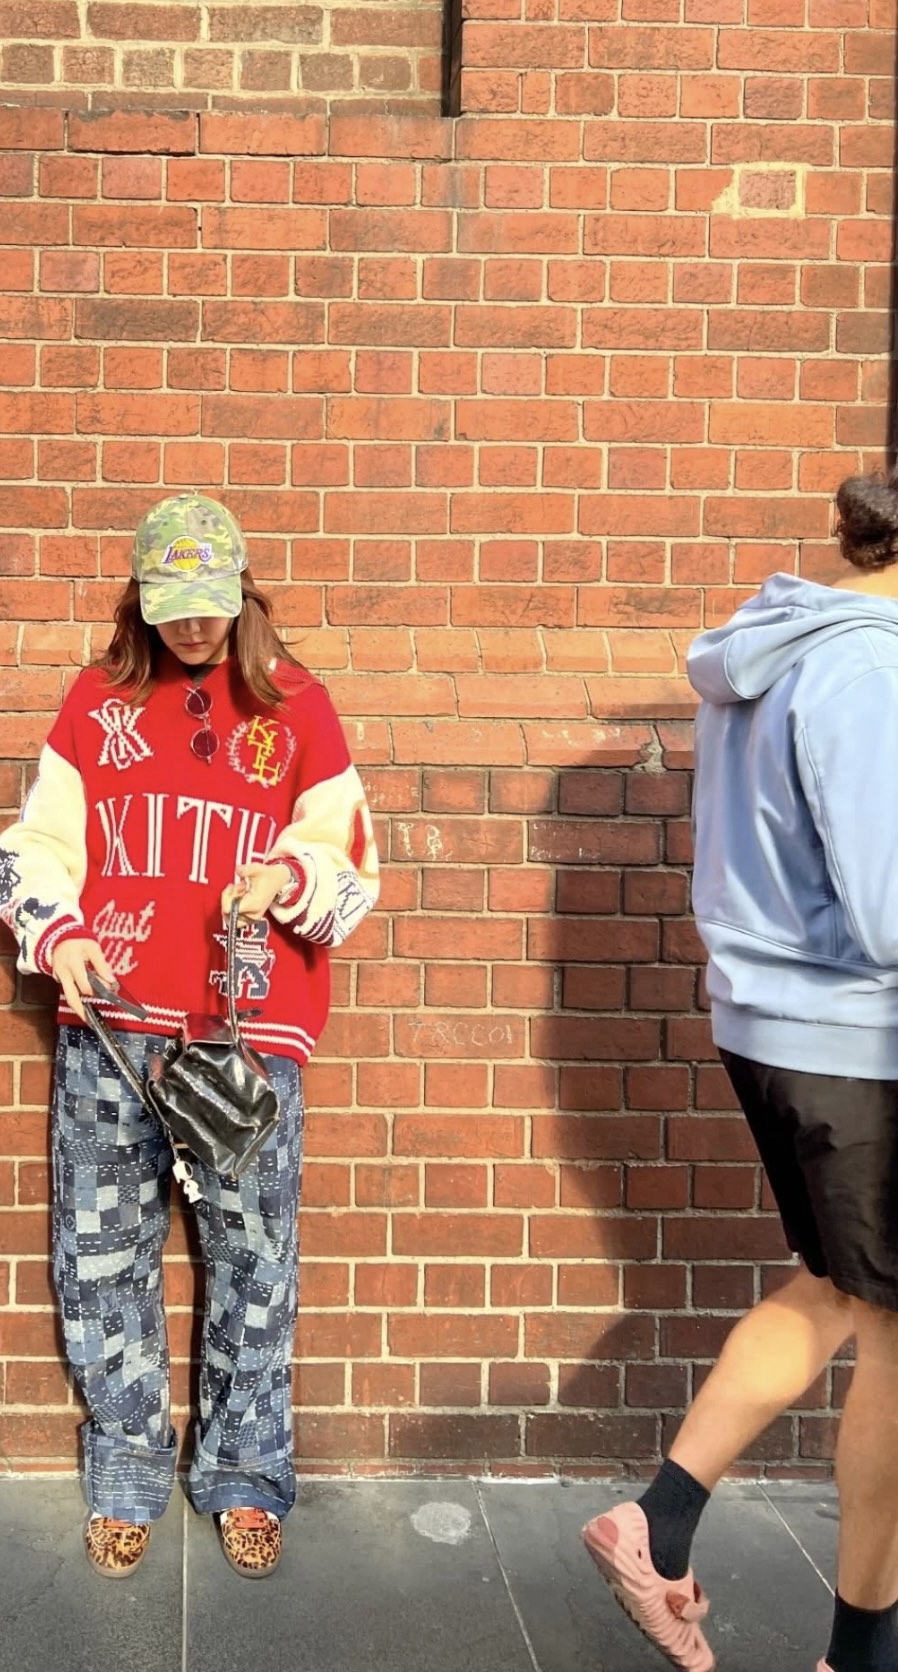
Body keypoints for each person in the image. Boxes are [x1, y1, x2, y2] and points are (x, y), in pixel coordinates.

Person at [0, 494, 379, 1580]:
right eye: (173, 607)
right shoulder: (96, 703)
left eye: (210, 604)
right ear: (141, 601)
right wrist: (56, 929)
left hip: (245, 1037)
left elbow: (352, 865)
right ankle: (125, 1467)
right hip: (113, 1031)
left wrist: (288, 878)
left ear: (243, 595)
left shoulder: (298, 707)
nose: (194, 626)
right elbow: (34, 845)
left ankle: (245, 1470)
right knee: (101, 1255)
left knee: (254, 1260)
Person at [581, 469, 898, 1672]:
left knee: (835, 1288)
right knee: (894, 1340)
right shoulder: (872, 672)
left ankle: (655, 1524)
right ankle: (862, 1653)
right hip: (861, 1043)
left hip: (776, 1028)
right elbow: (890, 908)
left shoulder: (776, 648)